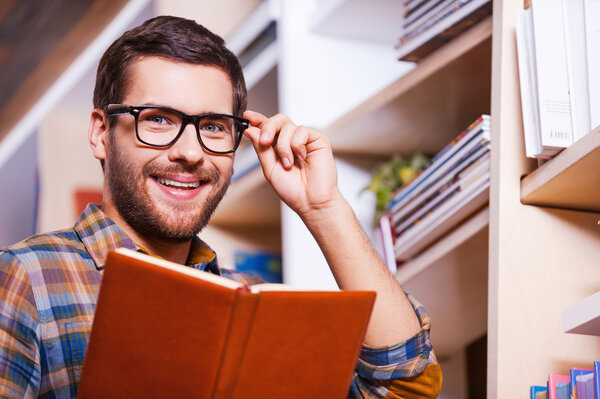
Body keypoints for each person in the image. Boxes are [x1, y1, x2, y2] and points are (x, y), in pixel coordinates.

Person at [0, 16, 442, 398]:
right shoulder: (28, 277)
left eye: (212, 127)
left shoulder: (254, 304)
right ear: (101, 133)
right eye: (158, 119)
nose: (191, 152)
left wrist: (322, 207)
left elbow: (405, 386)